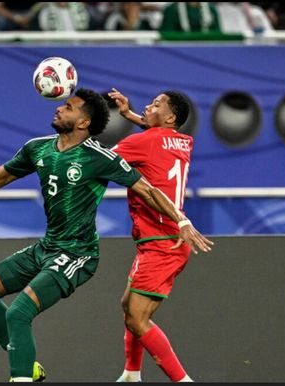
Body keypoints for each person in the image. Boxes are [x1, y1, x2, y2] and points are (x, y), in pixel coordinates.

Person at [0, 88, 212, 382]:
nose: (59, 109)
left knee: (25, 313)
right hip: (51, 246)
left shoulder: (100, 156)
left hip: (83, 252)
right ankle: (115, 373)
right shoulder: (38, 148)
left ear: (84, 123)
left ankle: (173, 380)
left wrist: (182, 220)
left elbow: (142, 185)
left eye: (69, 107)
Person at [108, 88, 213, 382]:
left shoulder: (141, 142)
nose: (147, 107)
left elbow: (103, 161)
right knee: (128, 306)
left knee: (137, 317)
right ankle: (131, 374)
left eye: (155, 105)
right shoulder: (182, 141)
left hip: (160, 242)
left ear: (170, 116)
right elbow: (156, 135)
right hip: (166, 242)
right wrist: (131, 115)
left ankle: (182, 381)